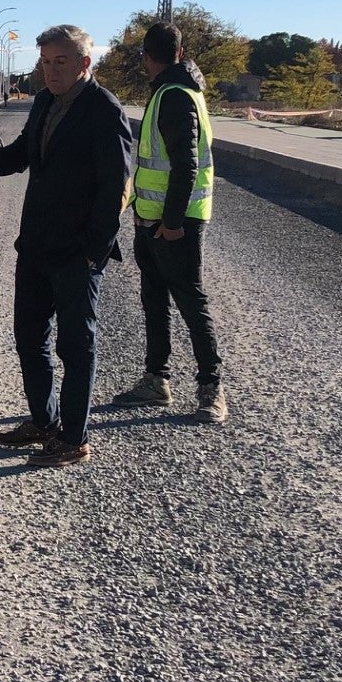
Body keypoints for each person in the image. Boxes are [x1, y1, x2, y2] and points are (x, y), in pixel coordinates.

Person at [0, 25, 135, 467]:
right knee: (29, 338)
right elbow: (21, 156)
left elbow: (115, 188)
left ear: (85, 63)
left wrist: (91, 252)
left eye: (60, 61)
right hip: (36, 246)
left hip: (76, 253)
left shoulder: (104, 110)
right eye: (45, 62)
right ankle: (44, 422)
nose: (50, 70)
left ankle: (73, 437)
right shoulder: (44, 101)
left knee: (76, 347)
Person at [113, 22, 228, 423]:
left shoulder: (175, 95)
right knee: (155, 299)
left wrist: (174, 221)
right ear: (179, 52)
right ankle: (156, 380)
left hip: (174, 223)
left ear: (147, 57)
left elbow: (186, 164)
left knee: (190, 301)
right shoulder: (174, 90)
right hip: (152, 218)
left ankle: (211, 388)